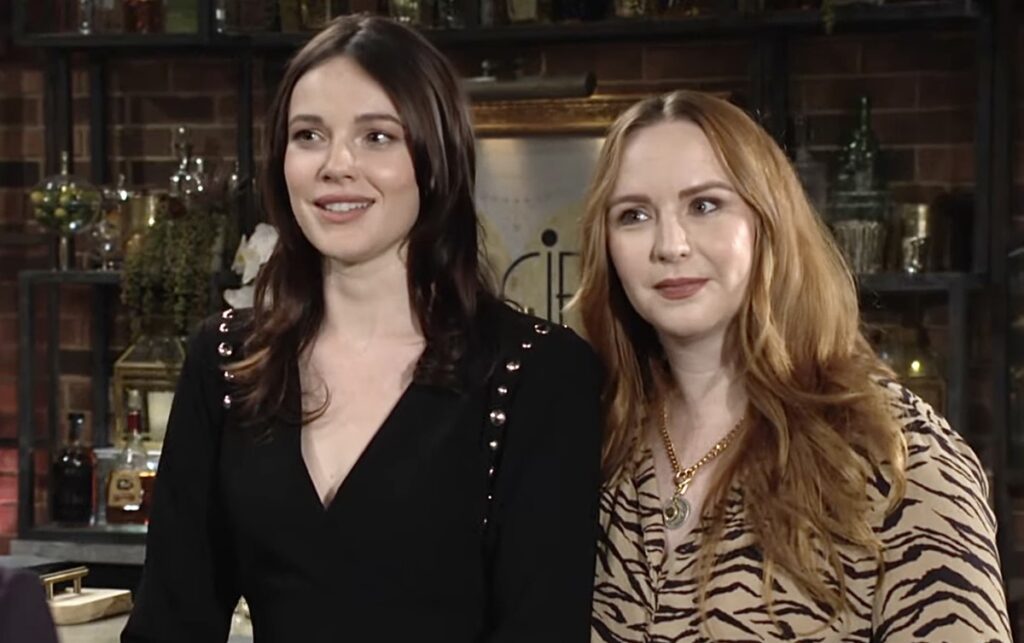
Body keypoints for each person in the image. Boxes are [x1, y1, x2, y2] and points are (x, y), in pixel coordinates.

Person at [122, 15, 602, 643]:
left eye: (377, 136)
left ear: (435, 158)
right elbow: (170, 622)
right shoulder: (226, 360)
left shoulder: (537, 371)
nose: (336, 165)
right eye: (309, 135)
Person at [574, 90, 1011, 642]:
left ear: (768, 220)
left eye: (704, 205)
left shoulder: (899, 454)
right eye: (634, 215)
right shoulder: (596, 443)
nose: (670, 245)